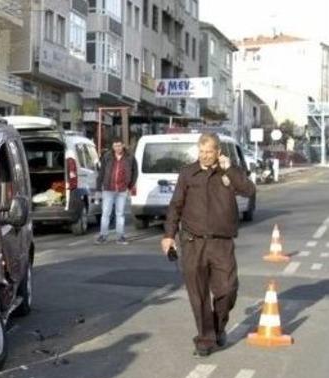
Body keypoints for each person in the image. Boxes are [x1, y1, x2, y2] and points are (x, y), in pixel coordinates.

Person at [160, 132, 255, 357]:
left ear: (218, 152)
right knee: (199, 295)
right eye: (201, 151)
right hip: (193, 242)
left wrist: (229, 169)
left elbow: (249, 190)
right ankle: (205, 339)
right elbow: (175, 206)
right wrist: (169, 235)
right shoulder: (187, 173)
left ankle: (218, 326)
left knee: (228, 289)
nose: (204, 156)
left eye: (209, 152)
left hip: (222, 242)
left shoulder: (228, 172)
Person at [96, 139, 138, 245]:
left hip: (122, 190)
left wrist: (130, 186)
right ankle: (103, 236)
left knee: (120, 214)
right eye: (115, 146)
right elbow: (101, 173)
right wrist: (98, 189)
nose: (117, 148)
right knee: (105, 214)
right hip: (108, 189)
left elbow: (135, 172)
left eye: (119, 146)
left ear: (123, 145)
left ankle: (120, 237)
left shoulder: (130, 157)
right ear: (112, 146)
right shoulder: (107, 157)